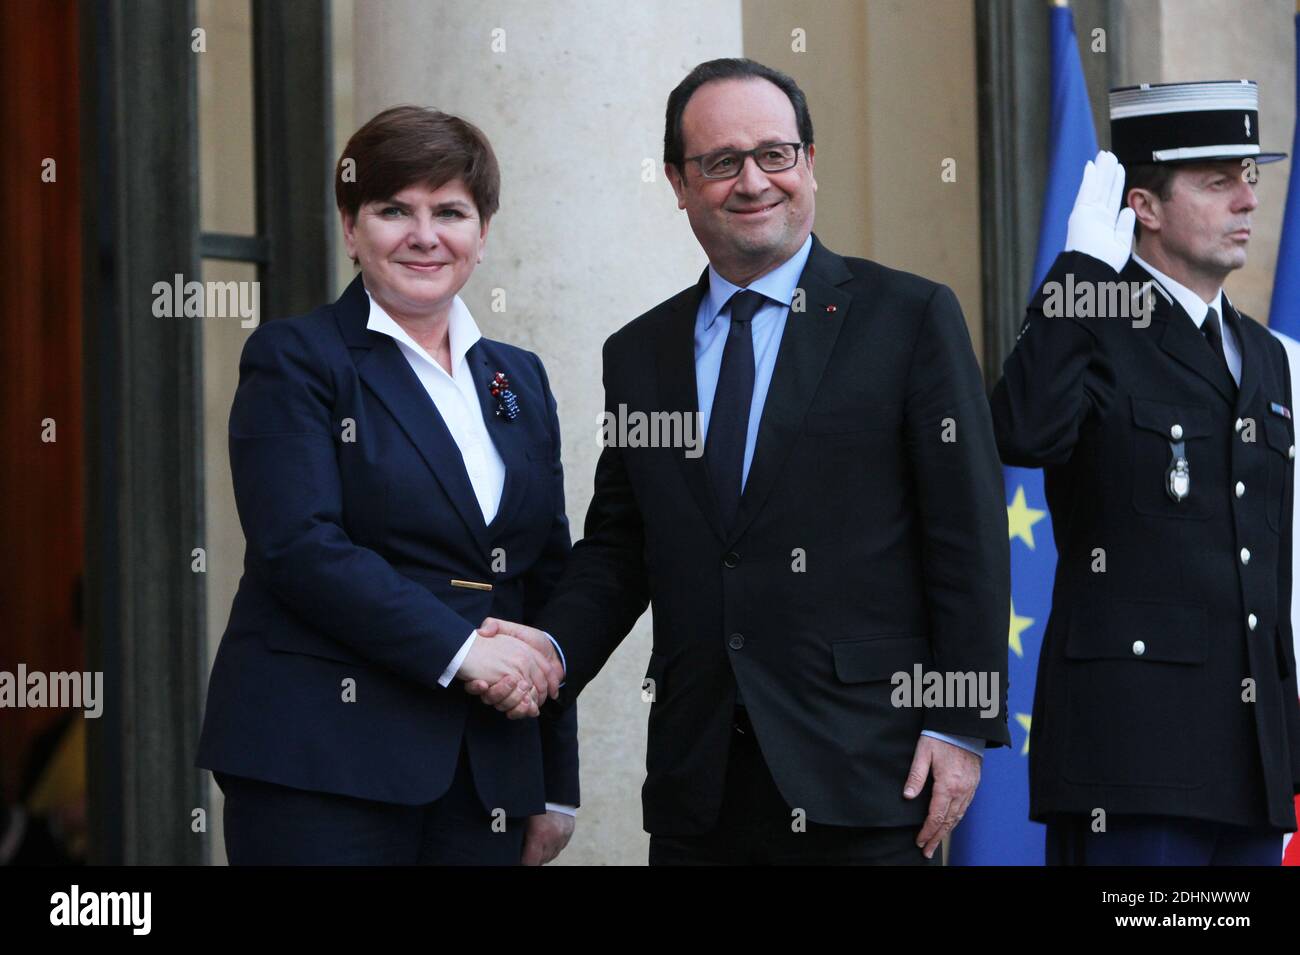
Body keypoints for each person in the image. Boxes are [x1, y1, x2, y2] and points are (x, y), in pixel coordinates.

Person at [471, 58, 1010, 865]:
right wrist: (547, 654)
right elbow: (621, 549)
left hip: (868, 772)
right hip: (702, 784)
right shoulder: (641, 353)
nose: (753, 181)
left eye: (775, 154)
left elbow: (965, 532)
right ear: (679, 184)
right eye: (721, 162)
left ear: (810, 164)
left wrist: (959, 721)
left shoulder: (908, 317)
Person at [196, 106, 576, 865]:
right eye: (393, 209)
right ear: (350, 228)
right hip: (323, 765)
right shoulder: (297, 359)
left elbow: (543, 580)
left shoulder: (518, 378)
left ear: (483, 232)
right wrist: (462, 649)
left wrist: (552, 780)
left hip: (484, 773)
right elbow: (299, 546)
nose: (424, 234)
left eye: (450, 212)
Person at [990, 80, 1300, 865]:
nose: (1247, 201)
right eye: (1216, 180)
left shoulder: (1264, 354)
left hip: (1255, 762)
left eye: (1249, 178)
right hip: (1132, 758)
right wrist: (1079, 274)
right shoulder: (1094, 320)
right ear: (1146, 206)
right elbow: (1021, 429)